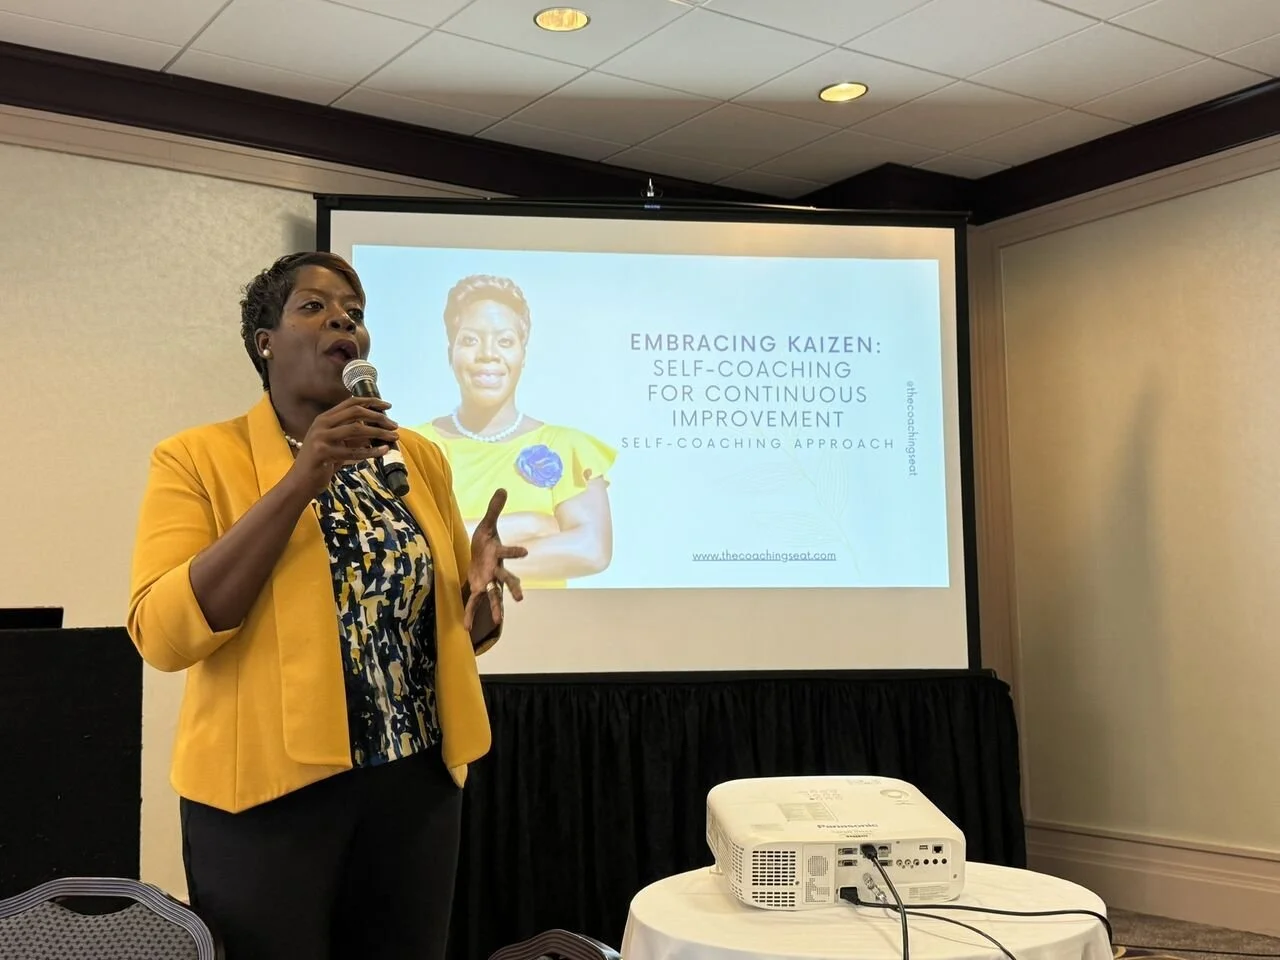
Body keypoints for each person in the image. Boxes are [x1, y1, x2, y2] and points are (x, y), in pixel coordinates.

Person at [126, 251, 525, 960]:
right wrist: (299, 480)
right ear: (265, 342)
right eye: (313, 306)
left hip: (414, 784)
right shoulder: (196, 458)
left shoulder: (415, 458)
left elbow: (447, 633)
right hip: (269, 796)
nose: (343, 320)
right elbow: (162, 634)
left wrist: (478, 592)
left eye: (354, 312)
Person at [413, 274, 615, 589]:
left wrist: (478, 558)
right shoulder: (415, 445)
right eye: (470, 340)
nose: (487, 353)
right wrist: (533, 524)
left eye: (505, 341)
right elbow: (412, 543)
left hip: (553, 621)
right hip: (449, 621)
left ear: (523, 355)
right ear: (450, 353)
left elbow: (591, 551)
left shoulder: (566, 445)